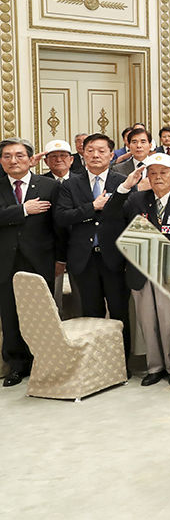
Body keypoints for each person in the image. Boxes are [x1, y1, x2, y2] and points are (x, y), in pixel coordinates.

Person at [101, 154, 170, 386]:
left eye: (163, 173)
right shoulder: (137, 199)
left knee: (169, 323)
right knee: (148, 322)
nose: (158, 177)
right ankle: (155, 367)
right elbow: (110, 213)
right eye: (153, 173)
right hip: (141, 270)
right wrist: (126, 186)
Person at [55, 133, 131, 359]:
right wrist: (92, 207)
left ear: (111, 154)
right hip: (84, 259)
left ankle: (121, 362)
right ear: (83, 153)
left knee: (119, 313)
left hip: (115, 258)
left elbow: (130, 218)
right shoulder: (71, 183)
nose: (96, 155)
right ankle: (97, 362)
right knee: (91, 313)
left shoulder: (122, 183)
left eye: (101, 150)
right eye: (90, 150)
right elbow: (62, 216)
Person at [0, 138, 62, 386]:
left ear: (30, 159)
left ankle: (46, 362)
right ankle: (17, 365)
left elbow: (58, 226)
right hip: (5, 261)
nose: (13, 160)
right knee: (10, 314)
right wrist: (23, 210)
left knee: (42, 313)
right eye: (7, 156)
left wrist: (60, 258)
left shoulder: (48, 186)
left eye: (19, 155)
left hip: (40, 259)